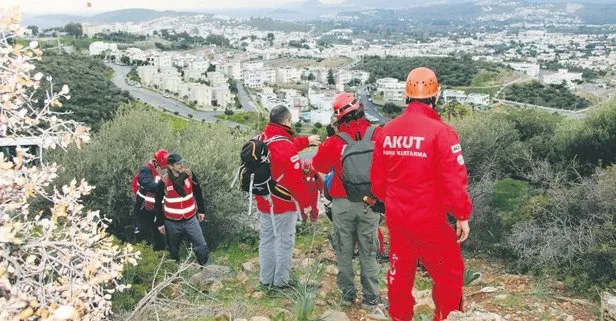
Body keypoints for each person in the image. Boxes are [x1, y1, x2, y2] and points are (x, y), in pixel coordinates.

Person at [370, 67, 473, 321]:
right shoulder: (442, 132)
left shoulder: (387, 131)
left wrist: (395, 201)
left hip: (398, 219)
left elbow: (377, 184)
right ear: (435, 96)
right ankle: (446, 316)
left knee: (400, 273)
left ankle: (399, 317)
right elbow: (454, 180)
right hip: (429, 221)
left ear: (407, 96)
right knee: (449, 272)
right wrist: (461, 215)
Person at [312, 92, 383, 309]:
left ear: (338, 117)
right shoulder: (378, 134)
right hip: (369, 202)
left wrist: (328, 143)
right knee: (369, 252)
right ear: (360, 109)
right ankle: (371, 299)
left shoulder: (334, 141)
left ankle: (347, 296)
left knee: (344, 250)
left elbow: (320, 166)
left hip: (342, 203)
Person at [256, 105, 314, 289]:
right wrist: (306, 204)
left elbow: (285, 146)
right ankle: (281, 282)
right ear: (287, 121)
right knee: (284, 242)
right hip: (281, 203)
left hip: (263, 199)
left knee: (266, 239)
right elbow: (296, 181)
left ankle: (265, 280)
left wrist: (307, 141)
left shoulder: (262, 137)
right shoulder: (284, 145)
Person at [155, 153, 210, 266]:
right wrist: (160, 223)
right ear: (170, 166)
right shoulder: (164, 181)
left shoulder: (189, 174)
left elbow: (198, 191)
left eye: (182, 162)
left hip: (191, 219)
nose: (182, 165)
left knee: (201, 244)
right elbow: (157, 202)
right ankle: (174, 274)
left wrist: (201, 211)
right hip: (171, 222)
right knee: (173, 250)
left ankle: (206, 268)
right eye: (178, 164)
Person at [133, 149, 168, 251]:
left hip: (157, 210)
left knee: (160, 236)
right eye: (162, 168)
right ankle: (142, 259)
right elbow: (148, 183)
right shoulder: (146, 170)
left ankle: (159, 259)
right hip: (143, 210)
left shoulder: (163, 173)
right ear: (156, 164)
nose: (164, 170)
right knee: (143, 237)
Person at [300, 159, 323, 224]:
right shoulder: (300, 173)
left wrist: (321, 192)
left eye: (307, 168)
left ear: (310, 167)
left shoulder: (314, 173)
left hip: (313, 194)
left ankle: (314, 220)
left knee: (313, 207)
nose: (305, 170)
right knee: (302, 208)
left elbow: (320, 182)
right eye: (304, 168)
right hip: (303, 194)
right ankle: (303, 220)